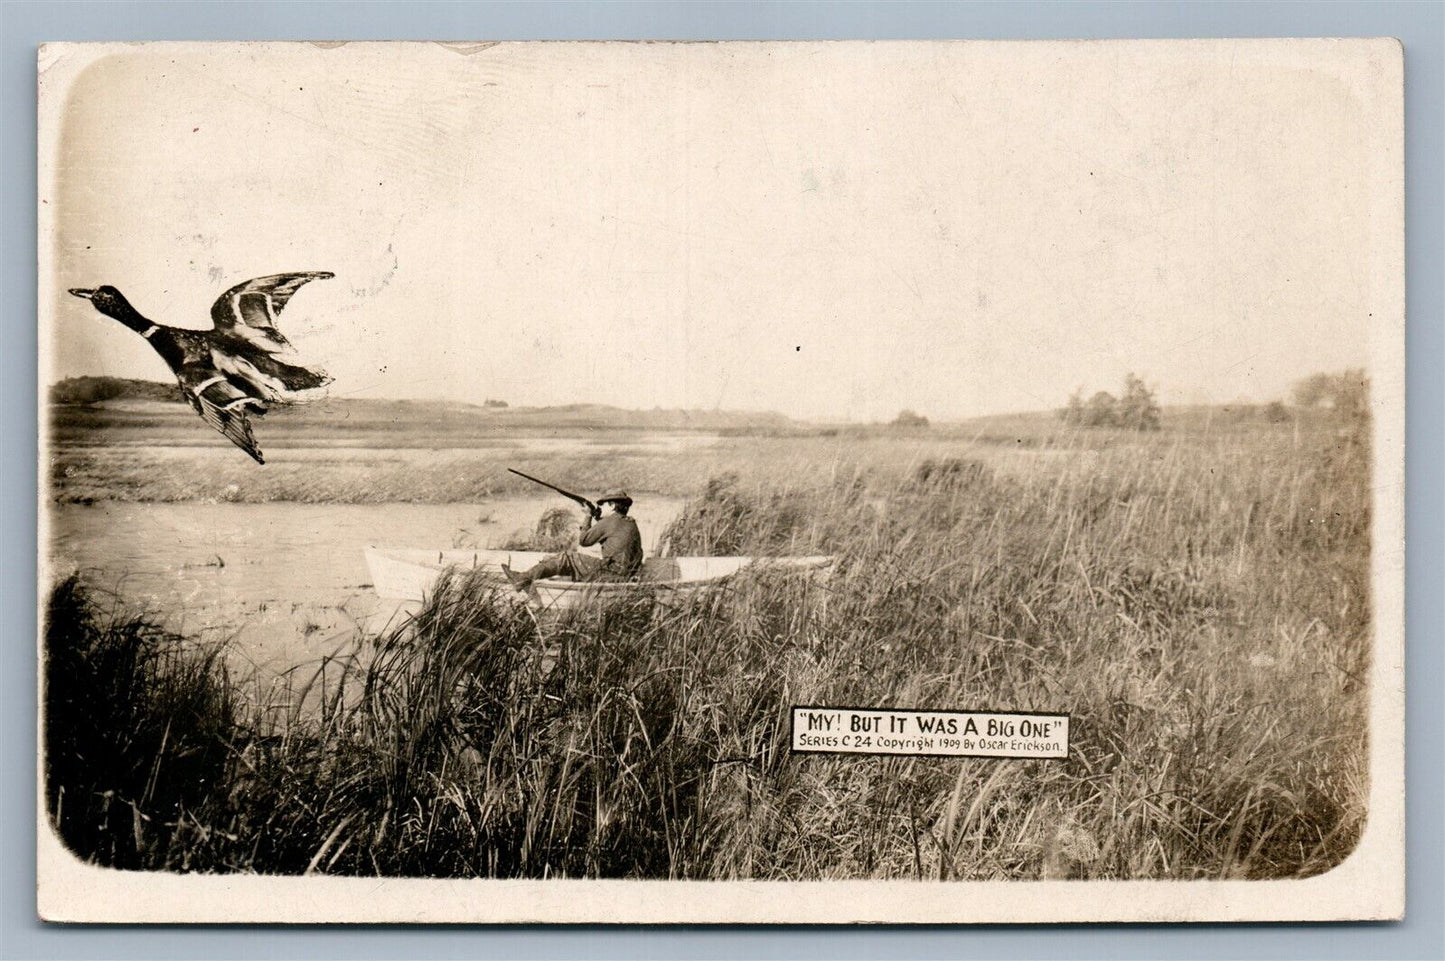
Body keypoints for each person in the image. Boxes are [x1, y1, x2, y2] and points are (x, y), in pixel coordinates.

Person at [502, 490, 644, 592]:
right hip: (626, 574)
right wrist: (597, 519)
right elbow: (611, 536)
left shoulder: (610, 521)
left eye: (603, 505)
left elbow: (584, 541)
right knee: (556, 560)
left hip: (611, 574)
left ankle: (522, 578)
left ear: (612, 506)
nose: (600, 507)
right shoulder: (629, 523)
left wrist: (588, 516)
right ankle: (532, 574)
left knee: (567, 557)